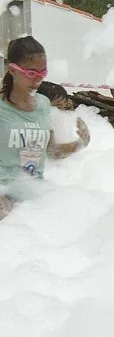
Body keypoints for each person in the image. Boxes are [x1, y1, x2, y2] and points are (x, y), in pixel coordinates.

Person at [0, 36, 90, 221]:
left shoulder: (43, 104)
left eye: (43, 72)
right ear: (12, 70)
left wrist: (80, 143)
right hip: (4, 198)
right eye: (31, 73)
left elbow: (51, 151)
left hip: (35, 196)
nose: (38, 79)